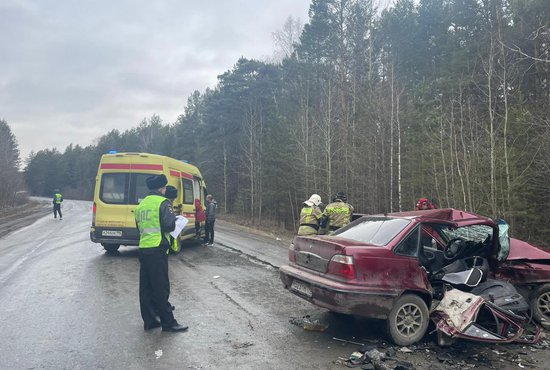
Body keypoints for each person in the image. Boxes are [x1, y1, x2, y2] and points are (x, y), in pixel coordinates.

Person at [134, 174, 188, 333]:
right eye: (165, 188)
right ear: (162, 188)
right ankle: (168, 323)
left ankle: (149, 321)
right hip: (158, 248)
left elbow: (139, 228)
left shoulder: (141, 205)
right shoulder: (163, 202)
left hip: (144, 248)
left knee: (146, 288)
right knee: (161, 287)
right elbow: (168, 225)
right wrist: (176, 220)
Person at [164, 185, 180, 253]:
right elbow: (169, 226)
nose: (173, 202)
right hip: (162, 245)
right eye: (172, 200)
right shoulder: (165, 205)